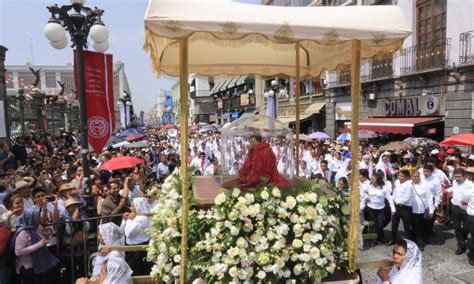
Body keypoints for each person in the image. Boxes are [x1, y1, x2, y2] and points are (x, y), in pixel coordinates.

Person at [12, 208, 59, 284]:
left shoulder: (37, 227)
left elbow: (44, 240)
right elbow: (18, 252)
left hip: (39, 266)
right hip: (28, 269)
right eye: (37, 216)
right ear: (30, 218)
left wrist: (47, 235)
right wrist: (39, 245)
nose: (39, 218)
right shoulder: (23, 233)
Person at [121, 197, 153, 276]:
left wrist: (129, 220)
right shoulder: (135, 217)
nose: (130, 208)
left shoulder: (142, 219)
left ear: (138, 206)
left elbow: (128, 233)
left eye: (132, 206)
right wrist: (125, 220)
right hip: (131, 250)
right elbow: (122, 230)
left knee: (138, 274)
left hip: (138, 251)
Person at [448, 168, 472, 255]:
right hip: (455, 207)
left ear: (465, 176)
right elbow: (454, 188)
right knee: (457, 228)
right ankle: (461, 245)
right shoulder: (454, 182)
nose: (457, 179)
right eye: (455, 177)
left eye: (459, 177)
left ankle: (463, 238)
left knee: (466, 228)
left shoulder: (470, 185)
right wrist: (448, 190)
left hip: (466, 209)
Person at [366, 172, 395, 246]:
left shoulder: (384, 188)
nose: (371, 180)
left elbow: (390, 199)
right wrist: (366, 196)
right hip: (371, 208)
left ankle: (380, 238)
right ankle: (373, 240)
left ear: (377, 180)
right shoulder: (369, 186)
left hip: (381, 209)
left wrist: (393, 209)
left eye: (372, 179)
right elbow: (363, 192)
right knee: (372, 225)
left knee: (380, 224)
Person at [388, 169, 414, 245]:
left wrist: (397, 201)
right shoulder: (397, 182)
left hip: (405, 207)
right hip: (397, 206)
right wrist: (393, 200)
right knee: (394, 224)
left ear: (407, 177)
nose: (399, 177)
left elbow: (407, 197)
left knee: (406, 225)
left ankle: (408, 242)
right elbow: (395, 192)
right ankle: (393, 239)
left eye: (402, 176)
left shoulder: (409, 185)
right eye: (399, 175)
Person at [410, 171, 434, 251]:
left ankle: (420, 241)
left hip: (422, 210)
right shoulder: (409, 185)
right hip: (412, 209)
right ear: (411, 177)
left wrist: (431, 210)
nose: (416, 178)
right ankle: (415, 240)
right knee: (414, 226)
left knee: (421, 226)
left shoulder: (424, 185)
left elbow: (429, 198)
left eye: (418, 176)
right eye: (415, 176)